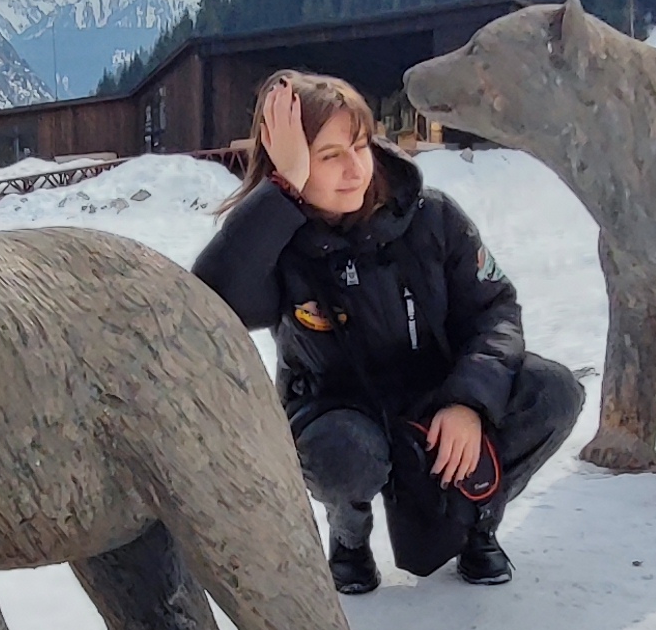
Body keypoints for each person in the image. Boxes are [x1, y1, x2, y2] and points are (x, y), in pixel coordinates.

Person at [191, 69, 583, 595]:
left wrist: (469, 402)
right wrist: (281, 192)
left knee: (554, 391)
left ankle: (478, 521)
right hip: (339, 412)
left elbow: (495, 312)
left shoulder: (433, 218)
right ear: (291, 162)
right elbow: (215, 301)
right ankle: (350, 536)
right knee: (343, 453)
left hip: (440, 400)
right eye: (329, 155)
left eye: (359, 145)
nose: (355, 169)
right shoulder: (278, 242)